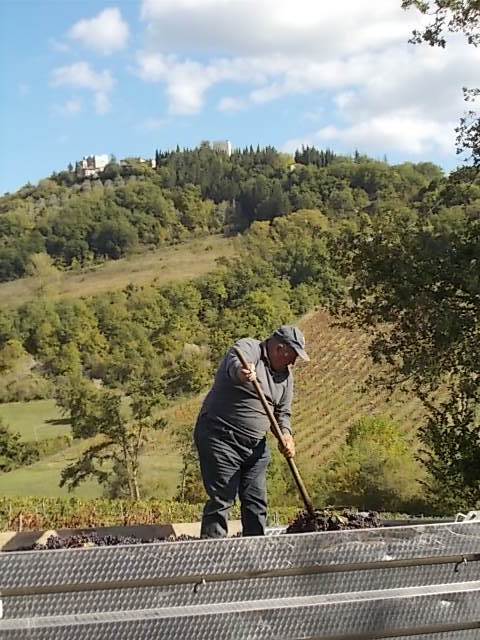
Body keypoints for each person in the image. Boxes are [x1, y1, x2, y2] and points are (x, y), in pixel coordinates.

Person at [194, 325, 310, 537]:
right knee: (222, 499)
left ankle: (255, 549)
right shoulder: (250, 348)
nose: (293, 362)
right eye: (292, 355)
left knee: (256, 502)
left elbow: (282, 413)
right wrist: (243, 372)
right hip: (221, 437)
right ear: (279, 348)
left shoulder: (286, 378)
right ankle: (212, 550)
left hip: (255, 447)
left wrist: (286, 436)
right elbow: (235, 364)